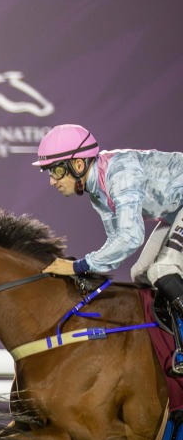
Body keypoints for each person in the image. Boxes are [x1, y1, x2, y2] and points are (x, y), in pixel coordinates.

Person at [34, 124, 183, 374]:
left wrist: (77, 266)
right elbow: (116, 243)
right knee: (142, 274)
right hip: (174, 211)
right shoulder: (97, 189)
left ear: (78, 165)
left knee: (163, 269)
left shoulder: (119, 174)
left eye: (57, 170)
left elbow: (131, 237)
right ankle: (172, 343)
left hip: (176, 209)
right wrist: (83, 269)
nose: (52, 181)